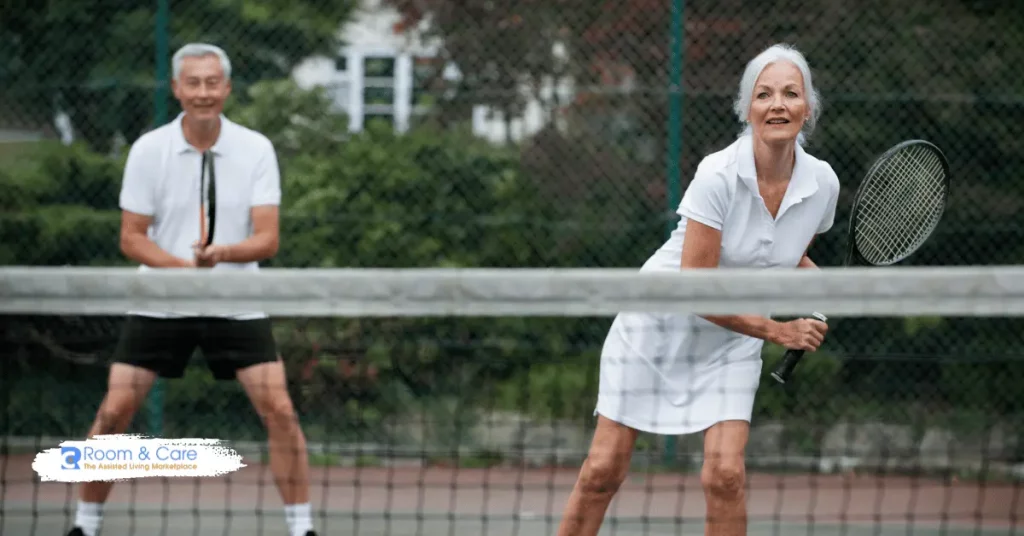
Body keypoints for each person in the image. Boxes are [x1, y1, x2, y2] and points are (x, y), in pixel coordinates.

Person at [555, 43, 840, 536]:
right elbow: (696, 290)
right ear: (747, 109)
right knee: (602, 472)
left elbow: (779, 251)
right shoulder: (717, 175)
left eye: (791, 94)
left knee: (726, 476)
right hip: (656, 327)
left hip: (731, 345)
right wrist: (779, 331)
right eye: (764, 94)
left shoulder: (823, 184)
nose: (777, 105)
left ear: (807, 108)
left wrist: (818, 283)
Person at [66, 43, 318, 536]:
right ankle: (84, 525)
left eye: (212, 83)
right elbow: (131, 237)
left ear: (226, 89)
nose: (203, 92)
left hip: (237, 304)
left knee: (281, 411)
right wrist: (182, 268)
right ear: (177, 89)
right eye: (193, 83)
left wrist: (220, 254)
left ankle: (302, 528)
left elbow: (268, 237)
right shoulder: (148, 150)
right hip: (160, 302)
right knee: (114, 411)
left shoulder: (256, 149)